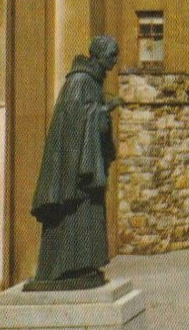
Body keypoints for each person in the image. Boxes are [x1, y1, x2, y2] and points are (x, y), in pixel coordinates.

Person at [29, 36, 121, 290]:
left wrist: (101, 113)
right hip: (73, 170)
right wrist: (103, 111)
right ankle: (60, 270)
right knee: (72, 219)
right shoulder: (80, 82)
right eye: (112, 55)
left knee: (86, 217)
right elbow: (74, 124)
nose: (115, 62)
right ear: (99, 55)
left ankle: (82, 266)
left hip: (84, 167)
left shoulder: (92, 83)